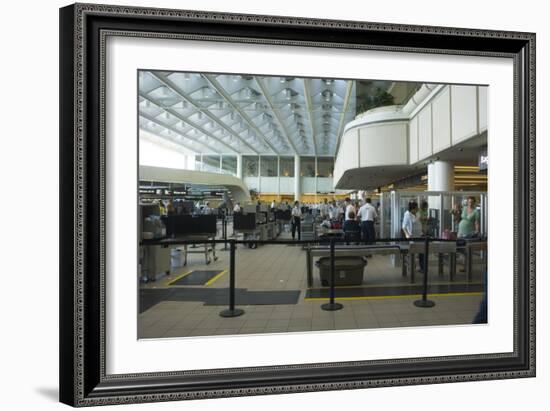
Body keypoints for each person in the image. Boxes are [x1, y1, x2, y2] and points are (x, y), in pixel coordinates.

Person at [402, 201, 424, 273]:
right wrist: (408, 235)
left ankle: (422, 267)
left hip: (419, 236)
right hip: (412, 237)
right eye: (416, 207)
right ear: (413, 208)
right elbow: (404, 227)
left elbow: (419, 222)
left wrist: (422, 231)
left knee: (421, 252)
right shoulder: (407, 214)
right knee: (412, 252)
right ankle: (410, 266)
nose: (418, 208)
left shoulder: (417, 213)